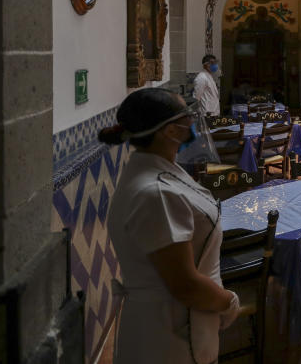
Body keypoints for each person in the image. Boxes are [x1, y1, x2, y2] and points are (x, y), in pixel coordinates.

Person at [100, 88, 241, 364]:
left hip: (177, 321)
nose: (192, 122)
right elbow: (185, 285)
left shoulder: (156, 170)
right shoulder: (156, 194)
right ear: (169, 131)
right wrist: (227, 302)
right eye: (185, 117)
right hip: (170, 334)